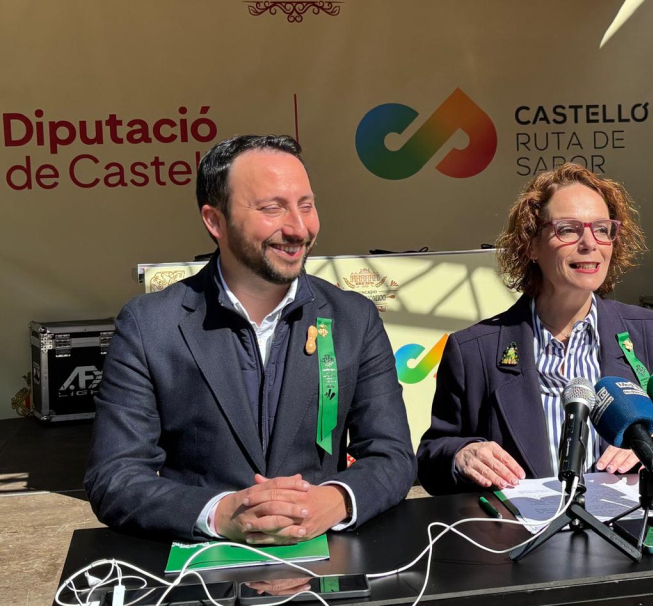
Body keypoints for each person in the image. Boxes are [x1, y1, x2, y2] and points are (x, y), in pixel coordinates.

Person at [85, 134, 415, 542]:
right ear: (215, 221)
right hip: (201, 565)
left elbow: (392, 455)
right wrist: (218, 514)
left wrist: (334, 500)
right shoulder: (150, 326)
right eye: (272, 208)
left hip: (326, 561)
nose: (298, 228)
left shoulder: (353, 318)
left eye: (306, 205)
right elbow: (114, 476)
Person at [417, 164, 653, 495]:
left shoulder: (649, 333)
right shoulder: (473, 351)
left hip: (628, 522)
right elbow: (431, 457)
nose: (589, 243)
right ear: (531, 245)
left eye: (602, 229)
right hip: (519, 527)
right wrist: (462, 455)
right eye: (568, 229)